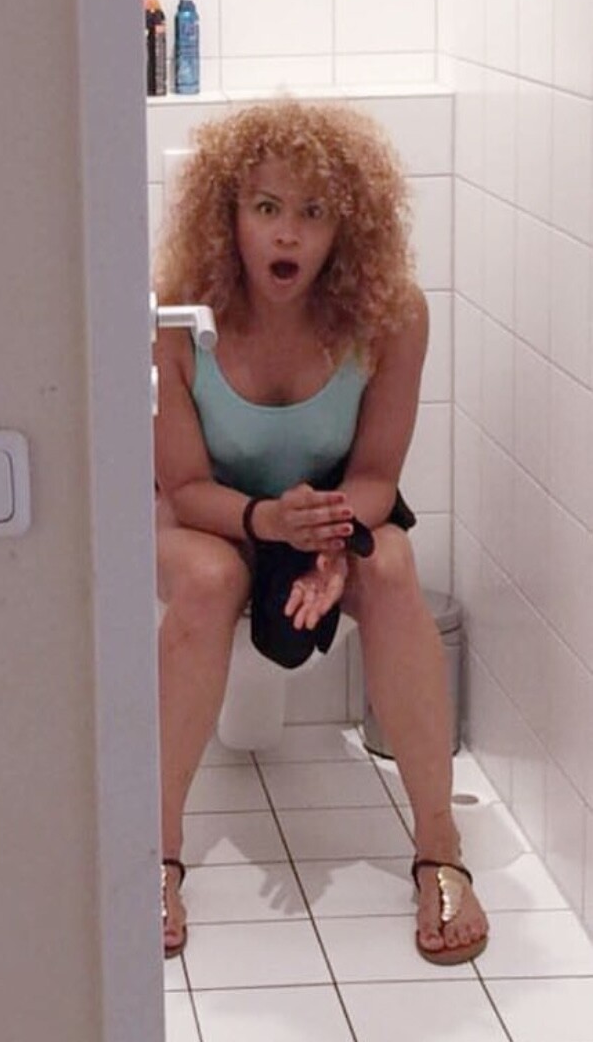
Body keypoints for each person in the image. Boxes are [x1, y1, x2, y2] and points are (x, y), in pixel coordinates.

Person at [152, 99, 489, 966]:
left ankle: (440, 844)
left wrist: (331, 541)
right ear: (229, 216)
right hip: (210, 514)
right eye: (266, 207)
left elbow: (376, 476)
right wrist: (265, 521)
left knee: (394, 568)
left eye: (314, 211)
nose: (287, 233)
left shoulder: (391, 316)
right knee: (209, 581)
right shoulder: (176, 318)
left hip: (336, 509)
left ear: (349, 225)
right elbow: (183, 486)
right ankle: (154, 851)